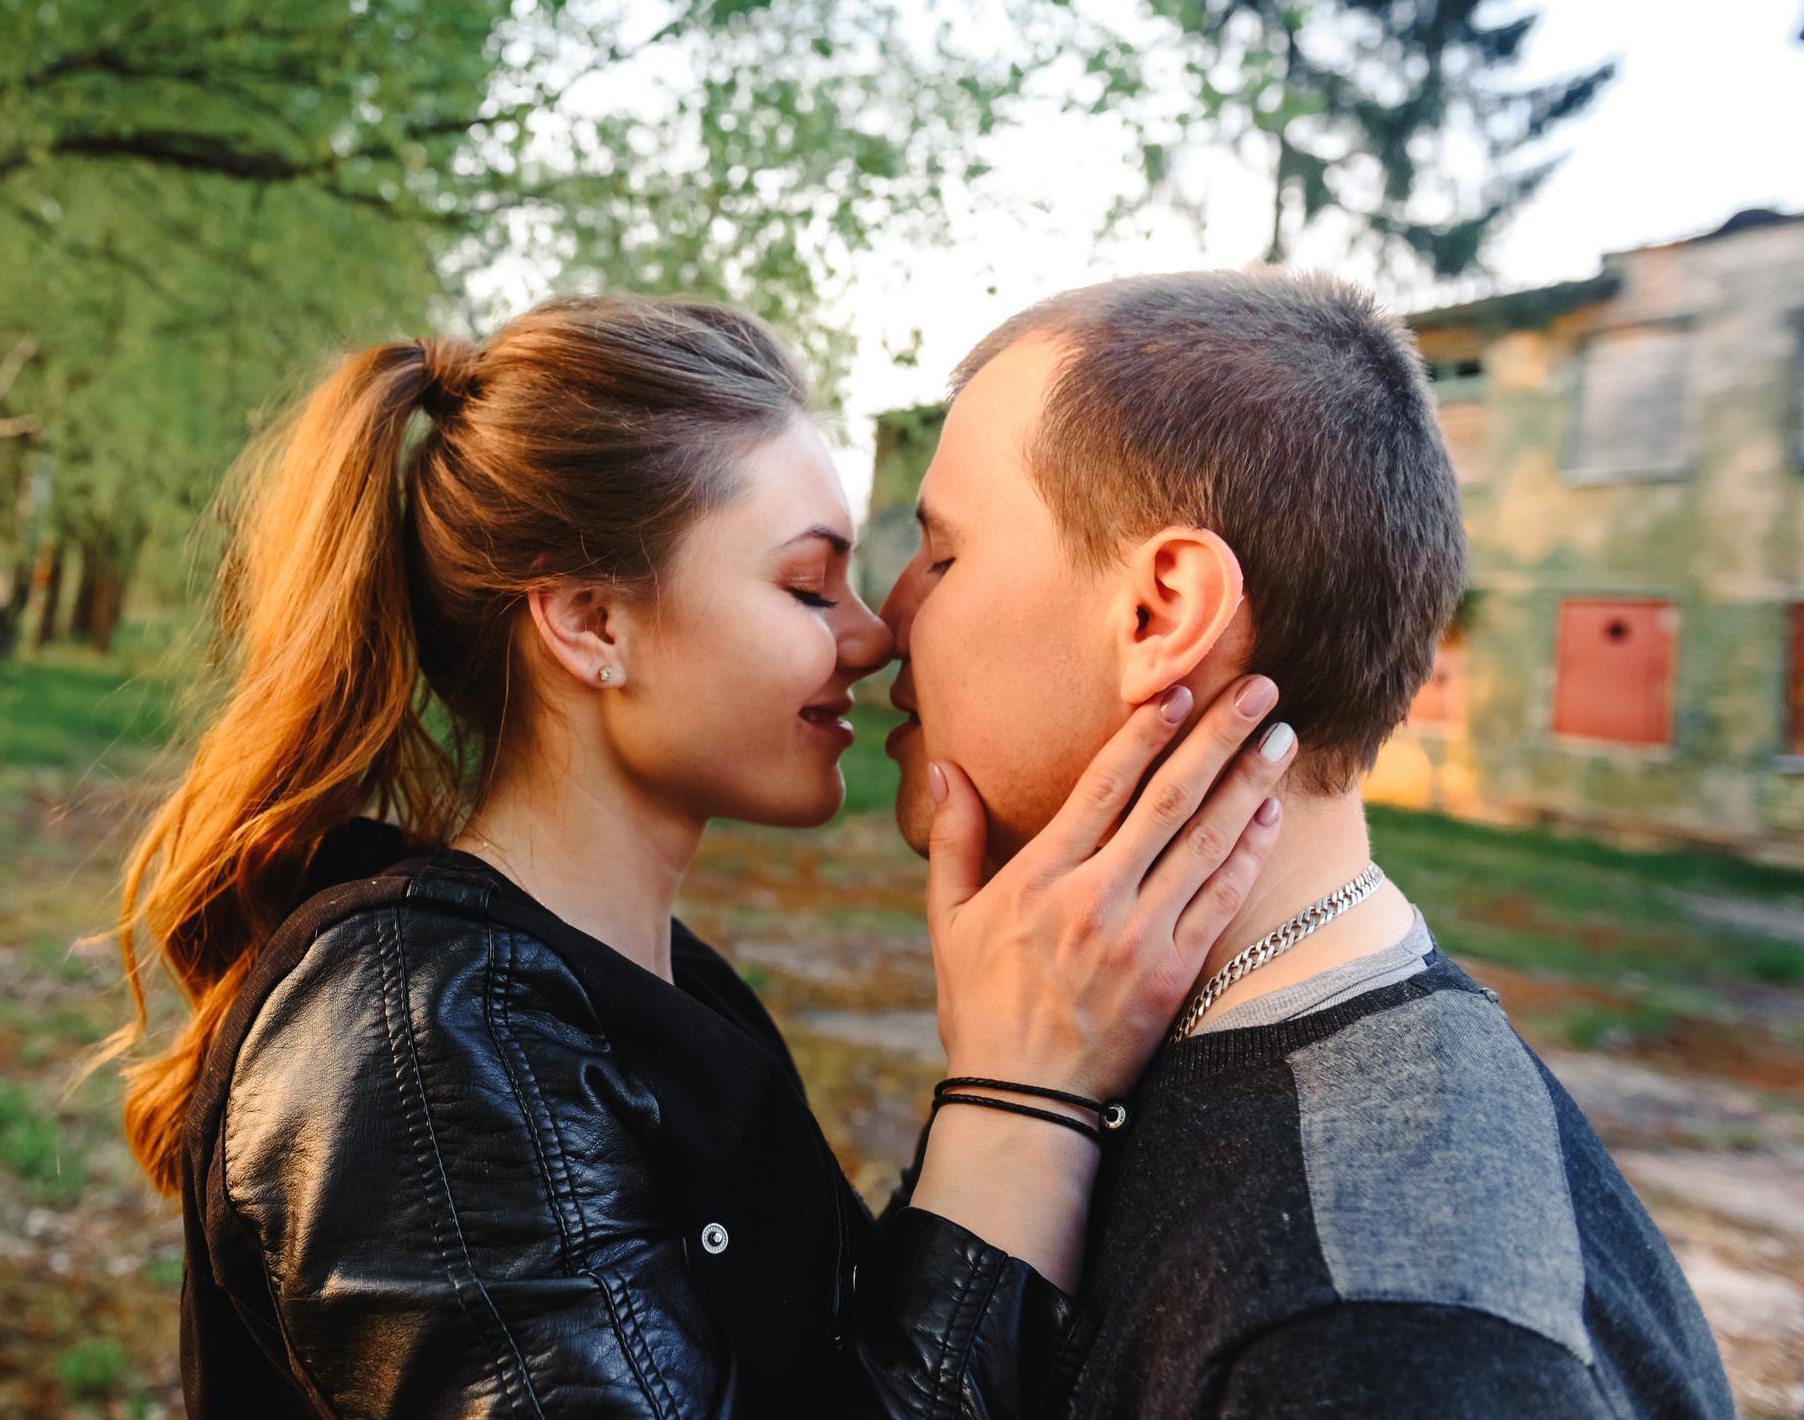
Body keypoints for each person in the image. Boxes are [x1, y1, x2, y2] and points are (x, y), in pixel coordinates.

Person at [94, 293, 1300, 1418]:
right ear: (591, 622)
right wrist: (1019, 1097)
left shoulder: (664, 986)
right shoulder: (420, 1031)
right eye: (803, 583)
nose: (876, 633)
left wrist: (1027, 1049)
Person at [878, 269, 1734, 1418]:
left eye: (942, 557)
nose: (880, 620)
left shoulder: (1381, 1344)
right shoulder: (1132, 1049)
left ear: (1160, 612)